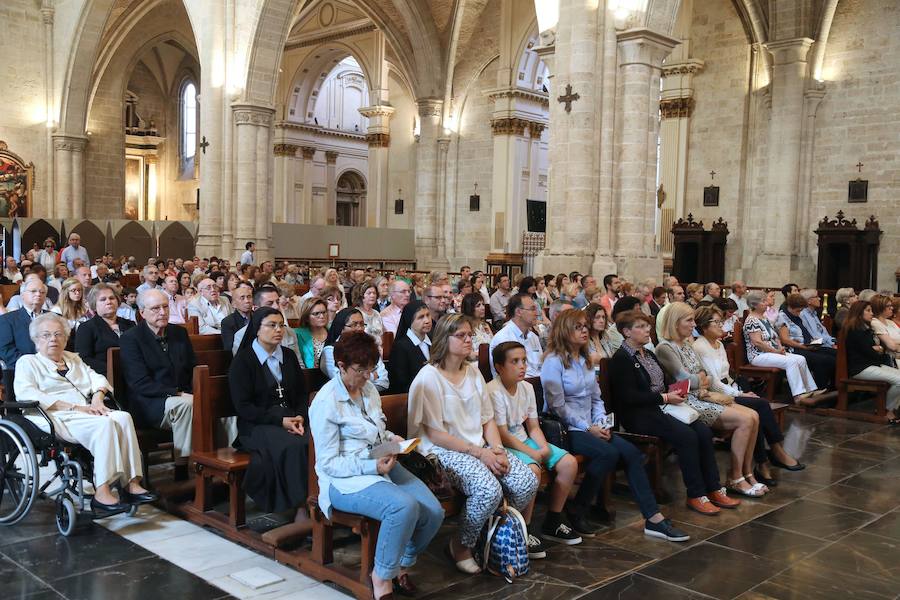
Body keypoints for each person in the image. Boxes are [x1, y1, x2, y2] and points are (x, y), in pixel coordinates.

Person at [311, 331, 443, 599]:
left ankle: (401, 564)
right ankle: (382, 577)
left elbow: (376, 429)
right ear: (341, 366)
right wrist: (372, 468)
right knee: (402, 507)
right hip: (345, 480)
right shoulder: (326, 402)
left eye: (371, 369)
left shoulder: (368, 389)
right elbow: (329, 463)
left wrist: (392, 440)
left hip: (380, 459)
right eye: (361, 371)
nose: (368, 377)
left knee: (433, 512)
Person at [541, 310, 691, 538]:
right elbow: (558, 407)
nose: (584, 330)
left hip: (591, 424)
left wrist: (601, 422)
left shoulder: (585, 359)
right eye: (578, 327)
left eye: (585, 326)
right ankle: (578, 508)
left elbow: (596, 398)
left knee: (632, 454)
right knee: (608, 454)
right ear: (564, 331)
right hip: (567, 427)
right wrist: (588, 428)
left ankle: (653, 518)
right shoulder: (553, 362)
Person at [407, 314, 538, 573]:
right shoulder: (429, 377)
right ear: (444, 339)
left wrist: (497, 450)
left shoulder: (473, 372)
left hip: (478, 446)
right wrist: (480, 453)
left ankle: (489, 534)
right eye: (461, 336)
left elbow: (487, 419)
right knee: (488, 489)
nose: (469, 340)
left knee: (526, 482)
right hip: (440, 451)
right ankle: (460, 544)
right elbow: (435, 434)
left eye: (470, 335)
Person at [14, 313, 156, 513]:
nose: (53, 339)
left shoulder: (73, 359)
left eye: (58, 334)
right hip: (54, 415)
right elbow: (27, 393)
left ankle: (131, 483)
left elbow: (98, 379)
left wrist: (98, 398)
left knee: (123, 417)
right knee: (104, 424)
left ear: (66, 338)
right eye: (46, 335)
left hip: (86, 411)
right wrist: (74, 407)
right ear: (36, 340)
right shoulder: (28, 362)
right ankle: (102, 491)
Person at [608, 310, 740, 515]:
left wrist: (676, 390)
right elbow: (629, 397)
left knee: (704, 432)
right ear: (626, 332)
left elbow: (664, 382)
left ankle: (713, 488)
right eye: (640, 327)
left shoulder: (648, 354)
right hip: (639, 414)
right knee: (687, 436)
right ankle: (696, 494)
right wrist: (665, 398)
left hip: (663, 406)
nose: (647, 330)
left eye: (647, 326)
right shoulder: (621, 358)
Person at [655, 302, 763, 495]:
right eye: (689, 320)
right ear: (675, 322)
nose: (693, 325)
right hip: (685, 401)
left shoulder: (686, 344)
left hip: (702, 395)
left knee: (754, 415)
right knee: (745, 420)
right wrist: (699, 379)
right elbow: (685, 380)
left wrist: (700, 379)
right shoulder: (665, 348)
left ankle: (747, 472)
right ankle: (735, 477)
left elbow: (706, 375)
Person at [692, 306, 804, 487]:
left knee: (758, 405)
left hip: (729, 388)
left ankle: (769, 457)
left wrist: (739, 390)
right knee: (759, 405)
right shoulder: (700, 346)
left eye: (721, 322)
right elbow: (713, 382)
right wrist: (740, 393)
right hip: (716, 395)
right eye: (717, 322)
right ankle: (768, 458)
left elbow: (727, 376)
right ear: (704, 326)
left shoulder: (719, 344)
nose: (722, 326)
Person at [489, 341, 582, 554]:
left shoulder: (527, 387)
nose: (522, 366)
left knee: (568, 463)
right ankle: (525, 528)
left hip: (524, 439)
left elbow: (533, 426)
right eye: (514, 362)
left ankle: (553, 520)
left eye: (524, 360)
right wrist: (532, 453)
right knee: (533, 470)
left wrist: (543, 447)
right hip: (504, 444)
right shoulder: (493, 391)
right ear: (499, 367)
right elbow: (502, 433)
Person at [230, 307, 313, 544]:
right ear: (257, 329)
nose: (278, 330)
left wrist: (300, 417)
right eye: (271, 325)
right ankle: (301, 508)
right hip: (256, 425)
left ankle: (321, 500)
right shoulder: (243, 361)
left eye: (281, 325)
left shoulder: (288, 356)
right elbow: (243, 406)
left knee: (315, 439)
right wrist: (280, 421)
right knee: (294, 446)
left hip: (291, 420)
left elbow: (301, 394)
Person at [119, 289, 198, 480]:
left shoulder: (179, 333)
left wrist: (199, 391)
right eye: (155, 308)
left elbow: (192, 368)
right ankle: (182, 469)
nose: (162, 312)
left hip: (182, 397)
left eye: (165, 307)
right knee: (187, 405)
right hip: (149, 403)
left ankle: (220, 463)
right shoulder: (131, 338)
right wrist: (178, 393)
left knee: (218, 404)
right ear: (142, 312)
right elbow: (139, 383)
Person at [743, 290, 821, 404]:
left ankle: (811, 390)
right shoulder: (751, 320)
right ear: (754, 304)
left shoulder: (764, 318)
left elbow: (775, 336)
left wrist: (780, 348)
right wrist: (776, 351)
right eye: (763, 301)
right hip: (758, 355)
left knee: (800, 359)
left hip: (771, 352)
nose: (766, 303)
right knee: (791, 362)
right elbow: (757, 342)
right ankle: (798, 396)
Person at [843, 301, 900, 424]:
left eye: (871, 310)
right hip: (861, 368)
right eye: (868, 310)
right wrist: (876, 350)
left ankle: (888, 408)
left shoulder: (866, 328)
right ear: (859, 313)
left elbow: (877, 349)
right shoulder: (855, 330)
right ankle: (885, 410)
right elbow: (869, 352)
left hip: (871, 364)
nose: (872, 313)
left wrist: (877, 349)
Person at [0, 278, 49, 399]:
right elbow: (6, 351)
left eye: (42, 292)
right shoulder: (7, 320)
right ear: (22, 295)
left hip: (54, 370)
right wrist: (35, 365)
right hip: (22, 372)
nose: (38, 294)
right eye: (33, 291)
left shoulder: (55, 318)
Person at [775, 293, 837, 389]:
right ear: (790, 307)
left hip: (806, 346)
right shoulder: (782, 317)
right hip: (794, 349)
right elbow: (785, 340)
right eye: (798, 310)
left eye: (801, 310)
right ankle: (821, 387)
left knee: (835, 354)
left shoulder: (797, 316)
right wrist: (803, 346)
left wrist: (813, 342)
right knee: (823, 360)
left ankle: (834, 385)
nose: (799, 313)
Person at [320, 308, 389, 392]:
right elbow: (343, 381)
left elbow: (384, 381)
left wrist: (365, 389)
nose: (359, 328)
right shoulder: (330, 351)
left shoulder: (369, 347)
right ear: (341, 328)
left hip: (373, 395)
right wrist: (372, 376)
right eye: (354, 324)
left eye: (362, 324)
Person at [74, 283, 135, 376]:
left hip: (134, 373)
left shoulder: (130, 324)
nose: (109, 302)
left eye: (112, 298)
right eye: (103, 299)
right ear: (94, 305)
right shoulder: (86, 328)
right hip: (104, 376)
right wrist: (114, 369)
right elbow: (83, 359)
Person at [489, 293, 543, 378]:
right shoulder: (503, 339)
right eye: (532, 309)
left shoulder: (534, 337)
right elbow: (508, 376)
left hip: (537, 382)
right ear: (518, 312)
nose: (537, 313)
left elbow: (540, 367)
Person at [387, 301, 432, 393]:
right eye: (421, 317)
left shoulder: (433, 341)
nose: (427, 321)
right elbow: (400, 383)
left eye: (428, 315)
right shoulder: (400, 347)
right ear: (409, 320)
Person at [294, 298, 329, 368]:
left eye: (324, 312)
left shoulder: (332, 331)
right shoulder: (297, 334)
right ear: (306, 317)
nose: (322, 316)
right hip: (308, 373)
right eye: (316, 314)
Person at [221, 281, 254, 352]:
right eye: (242, 298)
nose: (247, 301)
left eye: (249, 297)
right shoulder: (228, 322)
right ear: (233, 304)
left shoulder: (258, 317)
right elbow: (229, 348)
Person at [870, 294, 899, 366]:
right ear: (880, 308)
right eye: (888, 306)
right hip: (890, 359)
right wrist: (894, 343)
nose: (892, 308)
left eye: (891, 305)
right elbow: (892, 346)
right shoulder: (875, 322)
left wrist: (894, 342)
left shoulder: (890, 322)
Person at [354, 281, 385, 347]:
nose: (372, 295)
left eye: (374, 293)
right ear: (361, 296)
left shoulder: (377, 313)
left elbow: (382, 335)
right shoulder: (356, 313)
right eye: (369, 293)